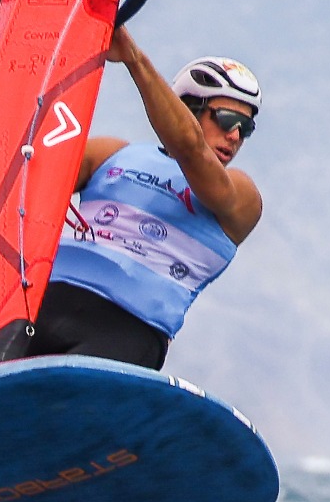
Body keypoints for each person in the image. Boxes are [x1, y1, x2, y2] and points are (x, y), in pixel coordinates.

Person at [28, 25, 264, 370]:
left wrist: (133, 59)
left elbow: (190, 149)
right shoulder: (112, 154)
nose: (234, 135)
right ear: (187, 108)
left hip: (127, 332)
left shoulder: (241, 196)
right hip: (40, 307)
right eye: (227, 119)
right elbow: (23, 175)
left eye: (246, 128)